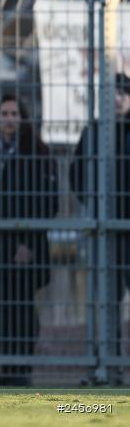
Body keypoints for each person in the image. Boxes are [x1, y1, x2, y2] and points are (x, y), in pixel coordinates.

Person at [0, 94, 56, 387]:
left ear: (22, 118)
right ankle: (8, 367)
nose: (9, 118)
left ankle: (22, 368)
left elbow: (47, 203)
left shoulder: (38, 154)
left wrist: (28, 242)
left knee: (23, 305)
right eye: (4, 113)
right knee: (3, 307)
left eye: (15, 113)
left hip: (25, 246)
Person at [70, 74, 130, 386]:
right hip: (105, 233)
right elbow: (76, 173)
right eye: (113, 93)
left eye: (123, 93)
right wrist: (96, 205)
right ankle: (107, 366)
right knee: (106, 304)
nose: (118, 99)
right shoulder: (93, 132)